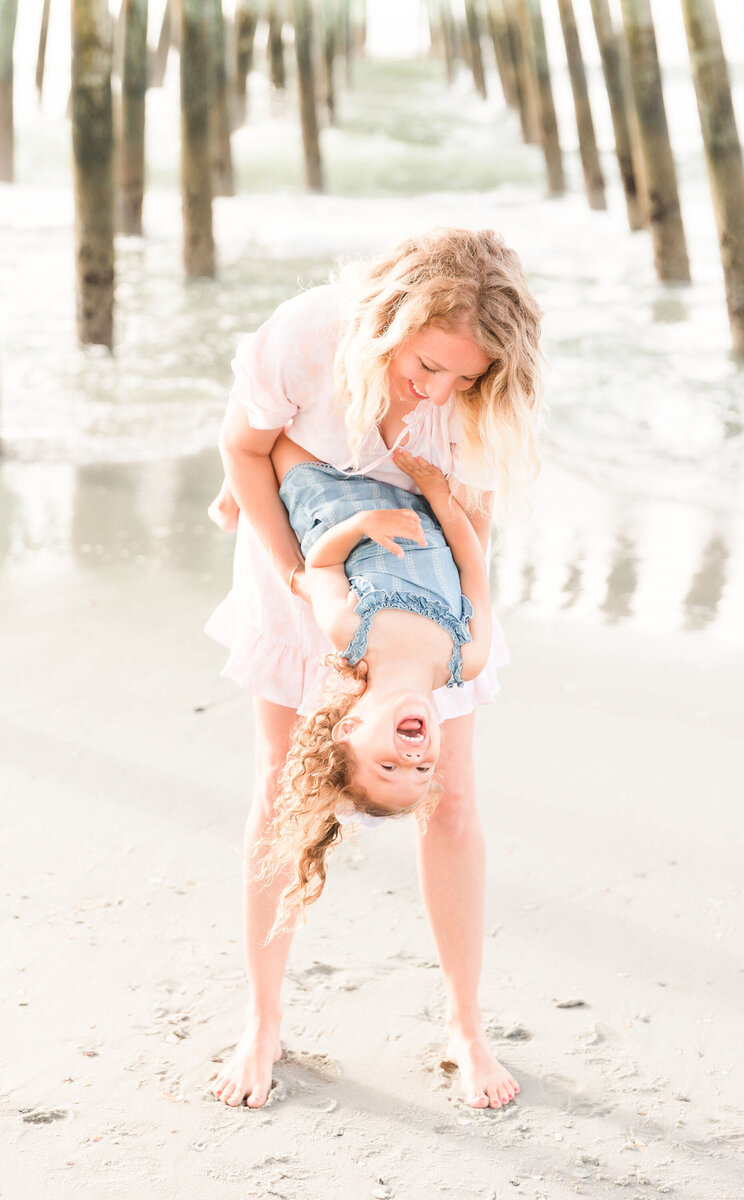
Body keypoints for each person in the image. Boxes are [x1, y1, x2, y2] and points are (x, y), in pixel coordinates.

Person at [205, 227, 544, 1110]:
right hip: (302, 554)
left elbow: (473, 528)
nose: (438, 389)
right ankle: (263, 1017)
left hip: (423, 570)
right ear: (392, 320)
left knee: (456, 798)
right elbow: (246, 445)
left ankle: (466, 1025)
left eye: (462, 379)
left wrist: (446, 549)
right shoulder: (310, 334)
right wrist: (293, 567)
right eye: (428, 365)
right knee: (285, 783)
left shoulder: (479, 399)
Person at [258, 435, 494, 935]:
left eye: (389, 765)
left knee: (277, 440)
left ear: (349, 727)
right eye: (422, 768)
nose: (412, 759)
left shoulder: (352, 634)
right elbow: (474, 566)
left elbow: (320, 565)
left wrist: (361, 525)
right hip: (414, 498)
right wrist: (440, 495)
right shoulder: (466, 658)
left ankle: (237, 489)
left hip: (325, 495)